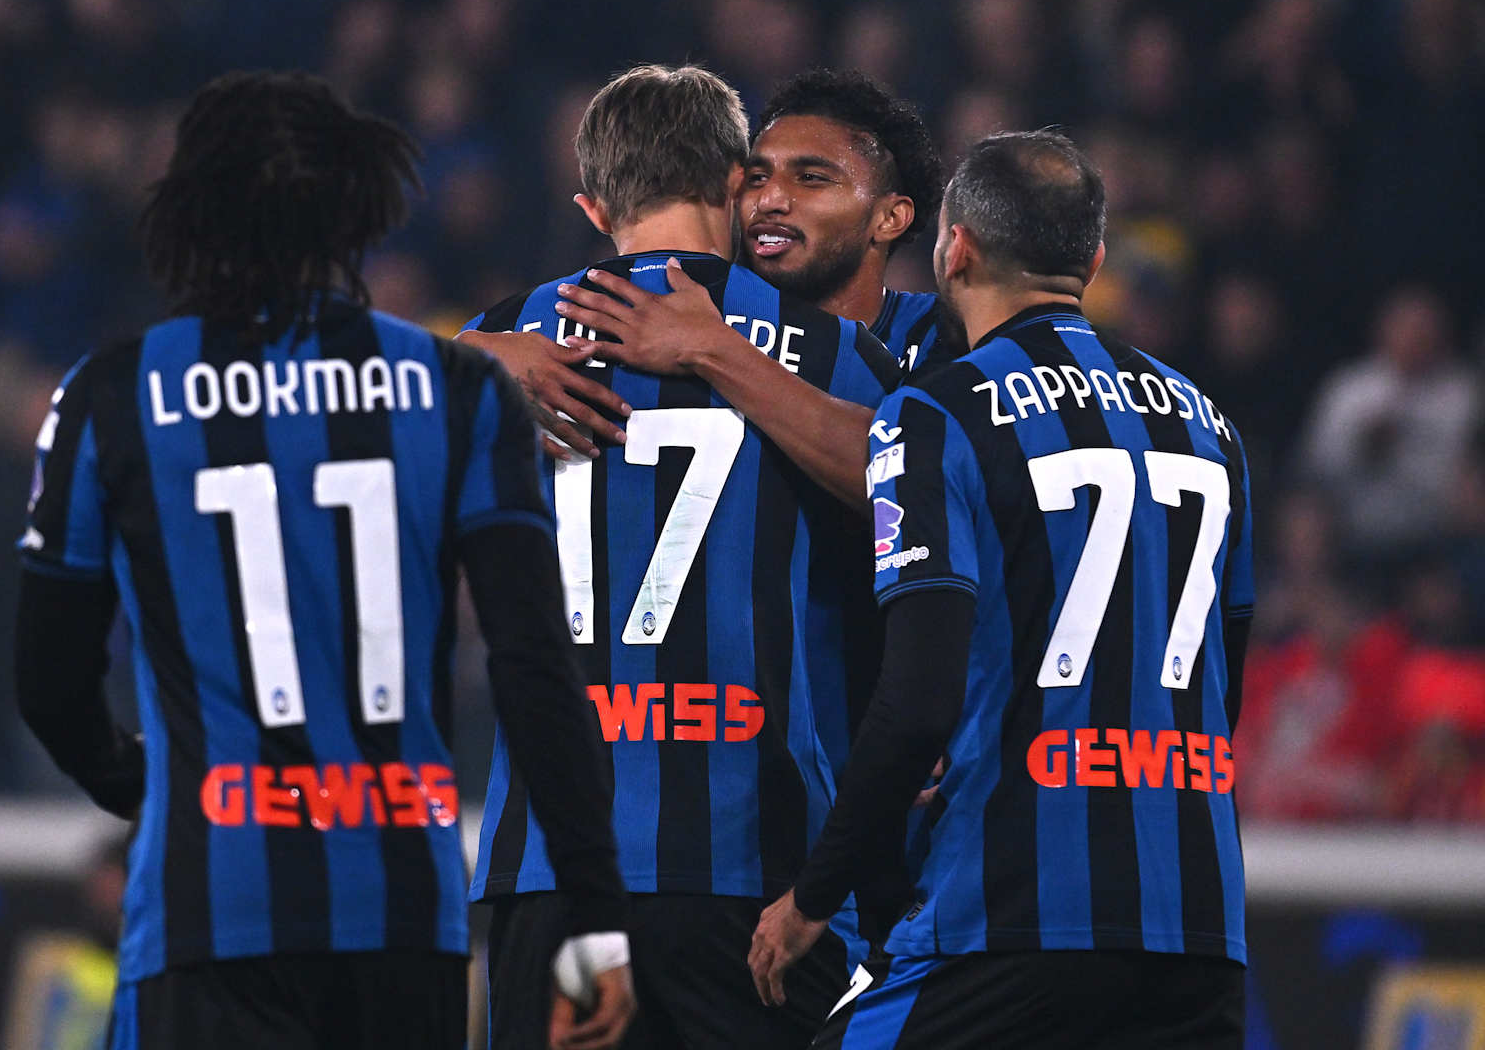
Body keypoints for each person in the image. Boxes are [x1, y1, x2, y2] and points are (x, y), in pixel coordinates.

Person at [13, 71, 633, 1050]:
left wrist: (145, 787)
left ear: (189, 209)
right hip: (400, 908)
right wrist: (595, 908)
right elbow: (534, 667)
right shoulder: (457, 388)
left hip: (211, 905)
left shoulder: (111, 397)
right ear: (356, 208)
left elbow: (47, 681)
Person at [747, 130, 1254, 1048]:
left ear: (957, 249)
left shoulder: (934, 414)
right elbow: (1228, 681)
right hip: (1197, 918)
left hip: (1010, 912)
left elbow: (917, 701)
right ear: (1092, 261)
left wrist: (812, 898)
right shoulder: (1210, 426)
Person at [463, 64, 901, 1048]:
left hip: (559, 876)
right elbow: (913, 485)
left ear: (591, 205)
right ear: (737, 184)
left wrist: (470, 354)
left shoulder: (499, 340)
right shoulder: (833, 352)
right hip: (757, 882)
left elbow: (337, 411)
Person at [469, 69, 947, 513]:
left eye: (811, 179)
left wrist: (715, 349)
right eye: (757, 178)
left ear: (890, 217)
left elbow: (928, 484)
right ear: (733, 187)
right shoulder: (820, 346)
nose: (770, 200)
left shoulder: (943, 335)